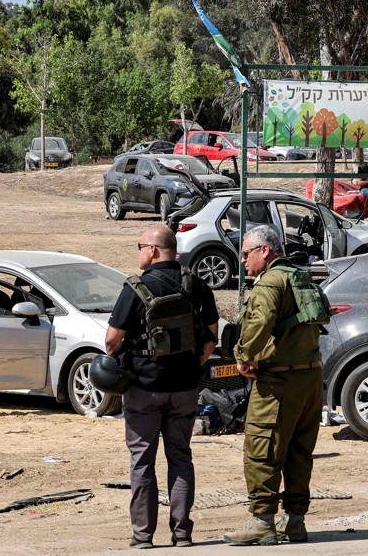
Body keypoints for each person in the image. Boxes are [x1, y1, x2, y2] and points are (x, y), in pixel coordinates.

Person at [106, 226, 219, 549]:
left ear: (153, 250)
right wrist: (194, 363)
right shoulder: (195, 284)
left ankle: (143, 536)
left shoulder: (135, 288)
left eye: (140, 246)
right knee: (181, 458)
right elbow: (211, 334)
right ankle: (182, 533)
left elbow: (112, 341)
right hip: (184, 388)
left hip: (143, 388)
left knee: (142, 461)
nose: (139, 251)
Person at [225, 225, 322, 546]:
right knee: (299, 451)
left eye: (245, 254)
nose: (242, 262)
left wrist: (243, 355)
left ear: (264, 251)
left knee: (261, 449)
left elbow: (259, 321)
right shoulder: (299, 276)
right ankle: (294, 522)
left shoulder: (269, 282)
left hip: (278, 382)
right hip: (309, 379)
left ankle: (263, 521)